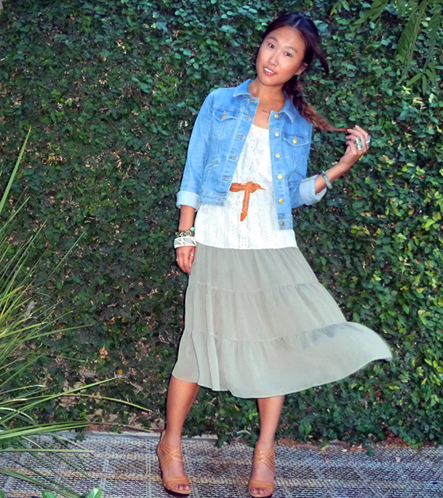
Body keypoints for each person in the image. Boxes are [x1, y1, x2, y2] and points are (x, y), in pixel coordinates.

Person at [157, 12, 393, 498]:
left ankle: (265, 452)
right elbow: (194, 169)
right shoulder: (220, 101)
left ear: (300, 67)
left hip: (271, 239)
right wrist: (186, 233)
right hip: (218, 234)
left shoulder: (297, 121)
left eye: (288, 53)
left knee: (277, 346)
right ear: (260, 46)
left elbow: (294, 193)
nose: (274, 58)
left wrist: (342, 166)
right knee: (197, 343)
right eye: (271, 45)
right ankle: (171, 443)